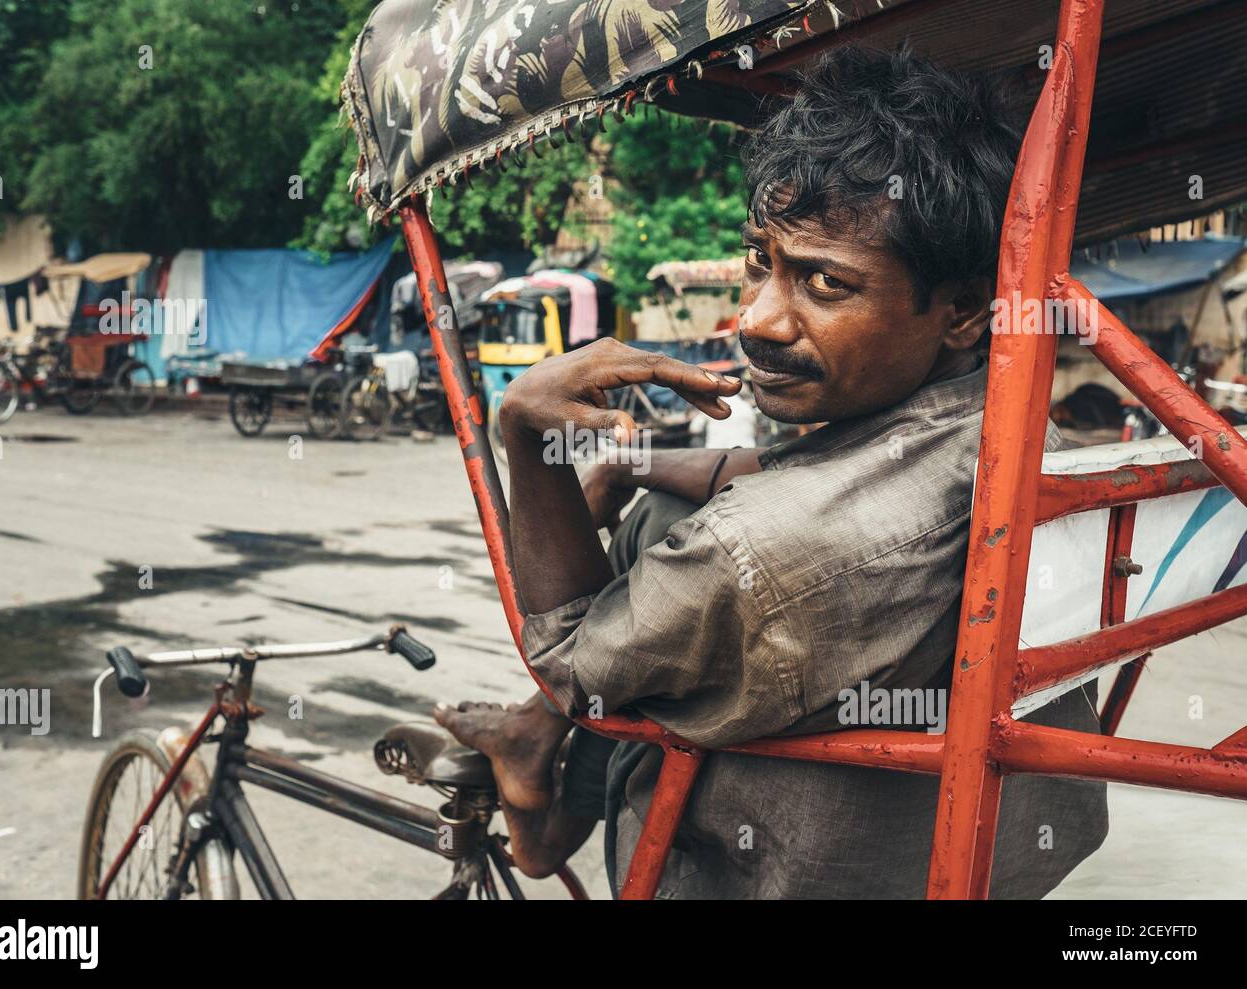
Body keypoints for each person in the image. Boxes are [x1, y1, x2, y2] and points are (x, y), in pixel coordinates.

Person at [435, 45, 1107, 898]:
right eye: (762, 260)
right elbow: (810, 469)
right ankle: (540, 762)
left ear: (963, 308)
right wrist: (640, 465)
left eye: (824, 282)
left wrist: (526, 436)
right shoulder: (999, 421)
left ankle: (543, 776)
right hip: (1009, 848)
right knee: (649, 519)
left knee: (652, 566)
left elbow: (571, 661)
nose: (755, 320)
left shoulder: (755, 556)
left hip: (775, 863)